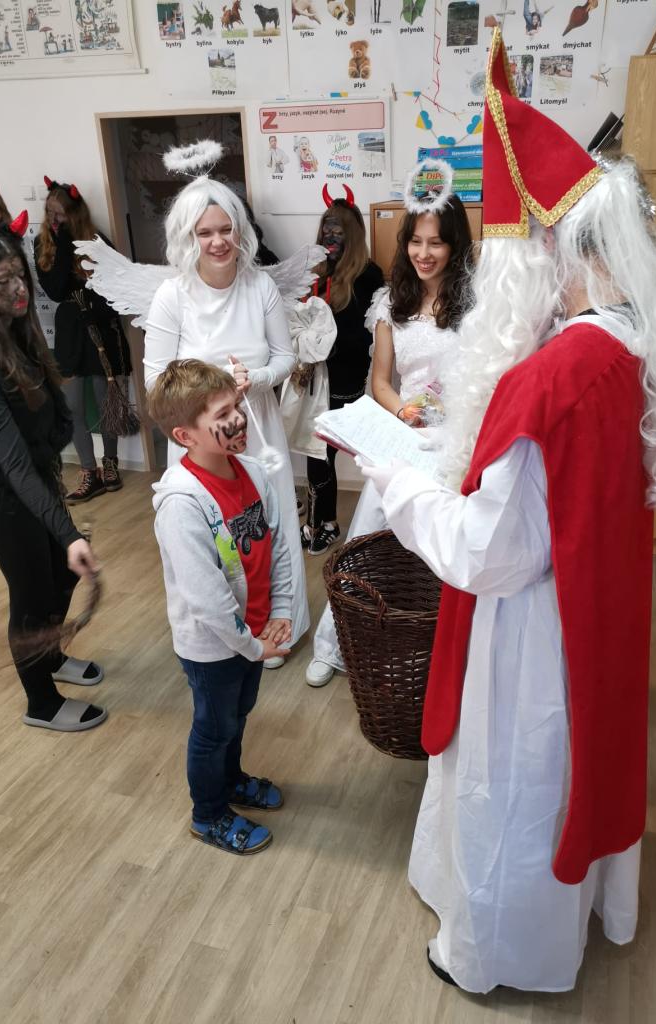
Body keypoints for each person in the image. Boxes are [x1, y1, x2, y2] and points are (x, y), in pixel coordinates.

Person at [358, 28, 656, 993]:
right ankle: (587, 913)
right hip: (593, 613)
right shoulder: (631, 341)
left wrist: (398, 483)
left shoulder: (555, 373)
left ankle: (490, 955)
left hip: (532, 634)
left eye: (511, 245)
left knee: (518, 783)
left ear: (548, 250)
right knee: (570, 768)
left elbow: (492, 555)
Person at [305, 187, 473, 687]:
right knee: (370, 538)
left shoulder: (476, 304)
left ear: (455, 244)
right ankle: (336, 644)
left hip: (457, 442)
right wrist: (404, 410)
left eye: (436, 242)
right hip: (406, 435)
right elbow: (380, 382)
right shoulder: (389, 302)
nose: (424, 253)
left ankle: (440, 652)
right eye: (416, 241)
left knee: (443, 549)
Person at [144, 175, 310, 659]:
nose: (217, 242)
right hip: (201, 437)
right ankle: (228, 636)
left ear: (240, 230)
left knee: (270, 526)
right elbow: (156, 380)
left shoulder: (260, 286)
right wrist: (206, 392)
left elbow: (285, 358)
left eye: (225, 229)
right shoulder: (172, 296)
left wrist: (254, 379)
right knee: (214, 534)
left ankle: (279, 625)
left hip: (255, 424)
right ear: (187, 237)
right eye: (204, 233)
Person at [148, 359, 292, 854]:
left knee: (239, 713)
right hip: (213, 647)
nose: (239, 419)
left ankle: (230, 781)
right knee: (215, 727)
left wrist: (281, 611)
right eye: (223, 413)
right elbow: (206, 599)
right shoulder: (182, 505)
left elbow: (276, 546)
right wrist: (251, 645)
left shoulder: (251, 471)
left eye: (237, 405)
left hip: (251, 637)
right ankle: (208, 814)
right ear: (185, 436)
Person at [0, 216, 108, 732]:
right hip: (1, 497)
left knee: (60, 573)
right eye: (2, 282)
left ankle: (51, 657)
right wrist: (69, 533)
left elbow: (42, 432)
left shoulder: (17, 336)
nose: (19, 290)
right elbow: (11, 461)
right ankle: (41, 702)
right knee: (32, 595)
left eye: (20, 276)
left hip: (35, 480)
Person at [34, 178, 132, 504]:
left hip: (100, 328)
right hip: (70, 333)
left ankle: (110, 465)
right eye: (50, 212)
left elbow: (117, 288)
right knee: (72, 406)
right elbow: (56, 290)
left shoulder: (98, 242)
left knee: (107, 403)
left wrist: (96, 310)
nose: (54, 219)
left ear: (75, 213)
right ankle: (89, 471)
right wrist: (64, 245)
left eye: (60, 213)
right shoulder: (45, 246)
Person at [302, 191, 384, 555]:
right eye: (326, 229)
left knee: (323, 452)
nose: (329, 236)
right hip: (313, 378)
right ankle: (320, 522)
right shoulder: (318, 271)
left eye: (337, 230)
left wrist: (323, 340)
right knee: (315, 454)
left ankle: (329, 523)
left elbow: (364, 336)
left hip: (344, 380)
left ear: (352, 233)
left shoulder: (368, 275)